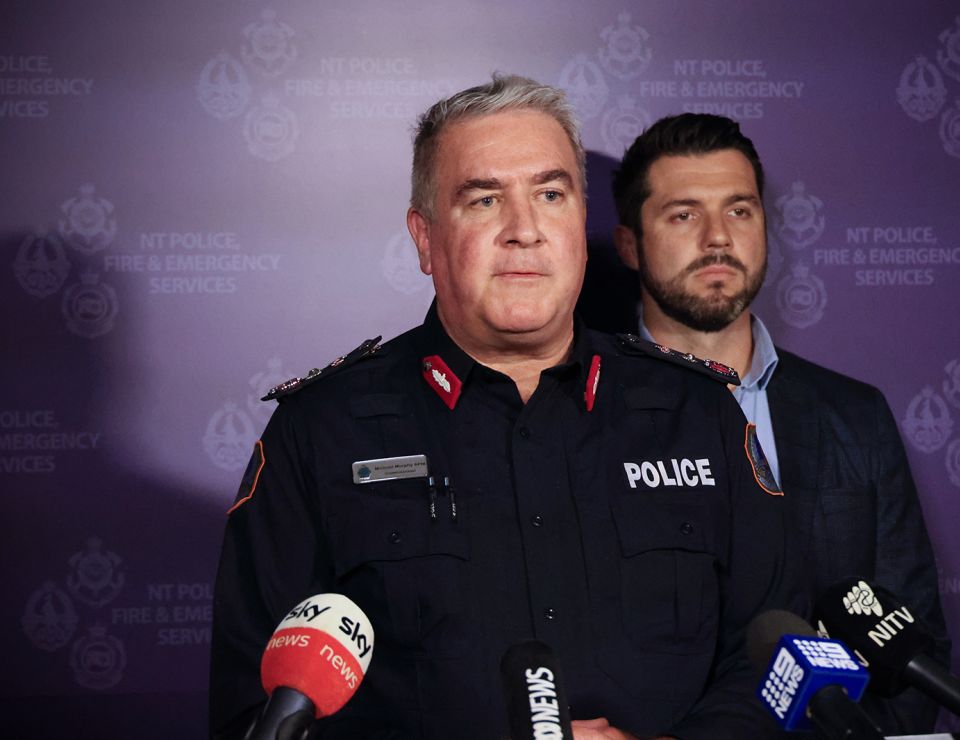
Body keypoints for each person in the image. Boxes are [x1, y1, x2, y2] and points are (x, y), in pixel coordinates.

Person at [210, 77, 802, 739]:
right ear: (425, 238)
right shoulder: (317, 433)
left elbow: (778, 659)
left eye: (551, 195)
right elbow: (254, 713)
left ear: (580, 226)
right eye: (485, 199)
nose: (524, 231)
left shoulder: (700, 413)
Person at [609, 113, 950, 733]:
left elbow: (912, 651)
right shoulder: (582, 413)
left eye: (739, 210)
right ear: (629, 243)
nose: (718, 238)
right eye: (683, 214)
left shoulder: (854, 416)